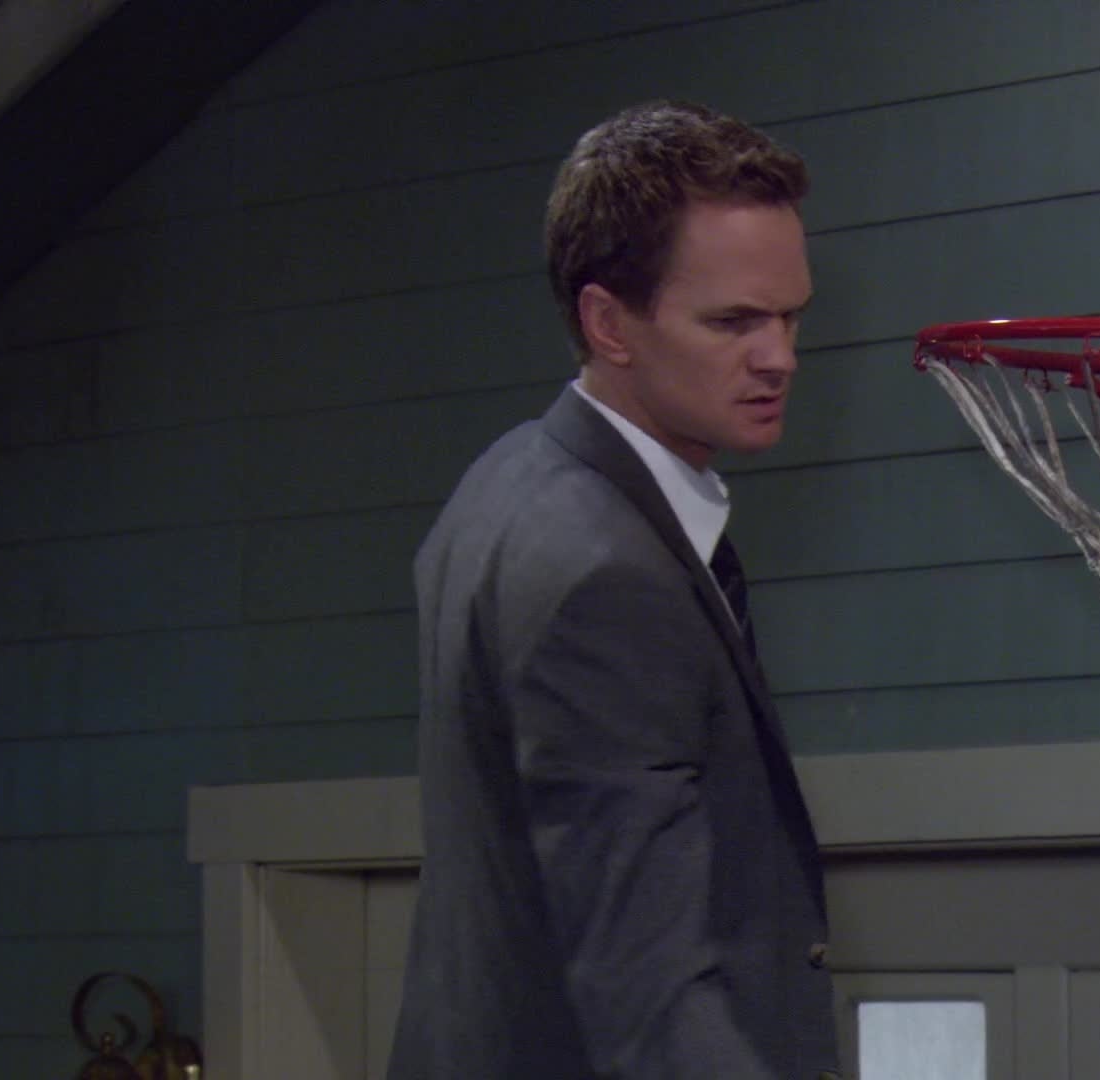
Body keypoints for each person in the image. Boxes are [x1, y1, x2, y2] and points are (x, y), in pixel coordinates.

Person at [385, 101, 841, 1079]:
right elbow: (648, 986)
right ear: (607, 322)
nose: (780, 357)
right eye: (733, 321)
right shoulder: (604, 571)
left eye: (790, 316)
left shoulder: (503, 487)